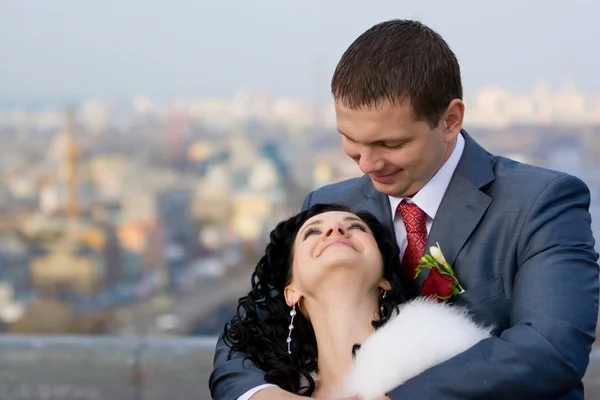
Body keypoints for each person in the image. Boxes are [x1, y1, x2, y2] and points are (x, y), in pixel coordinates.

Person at [210, 19, 599, 399]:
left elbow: (551, 347)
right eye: (350, 140)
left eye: (390, 144)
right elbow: (247, 335)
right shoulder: (330, 209)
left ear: (450, 120)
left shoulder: (540, 202)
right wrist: (262, 394)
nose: (366, 163)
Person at [217, 203, 492, 399]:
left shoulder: (447, 358)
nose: (335, 229)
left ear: (385, 278)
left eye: (355, 227)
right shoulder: (276, 390)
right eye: (312, 232)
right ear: (291, 291)